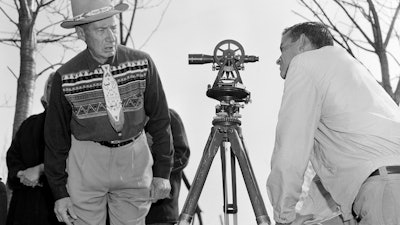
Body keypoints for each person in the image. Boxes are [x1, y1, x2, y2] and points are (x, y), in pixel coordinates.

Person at [44, 0, 173, 224]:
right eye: (101, 30)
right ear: (82, 34)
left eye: (113, 28)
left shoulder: (143, 63)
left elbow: (161, 120)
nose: (111, 37)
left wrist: (162, 172)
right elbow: (55, 139)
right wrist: (59, 193)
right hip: (86, 162)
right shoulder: (64, 77)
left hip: (134, 159)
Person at [267, 21, 400, 225]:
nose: (278, 60)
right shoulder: (348, 68)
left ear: (302, 43)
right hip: (386, 185)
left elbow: (291, 148)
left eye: (282, 49)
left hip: (384, 189)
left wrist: (283, 216)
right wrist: (308, 216)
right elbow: (337, 167)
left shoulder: (304, 63)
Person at [6, 73, 62, 225]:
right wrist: (20, 173)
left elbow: (76, 159)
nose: (54, 90)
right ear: (46, 90)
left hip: (56, 205)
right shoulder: (30, 123)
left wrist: (41, 169)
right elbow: (13, 155)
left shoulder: (74, 126)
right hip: (23, 205)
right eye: (50, 86)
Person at [145, 108, 190, 225]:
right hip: (130, 209)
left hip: (162, 211)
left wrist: (156, 171)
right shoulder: (131, 120)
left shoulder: (169, 116)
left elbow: (182, 155)